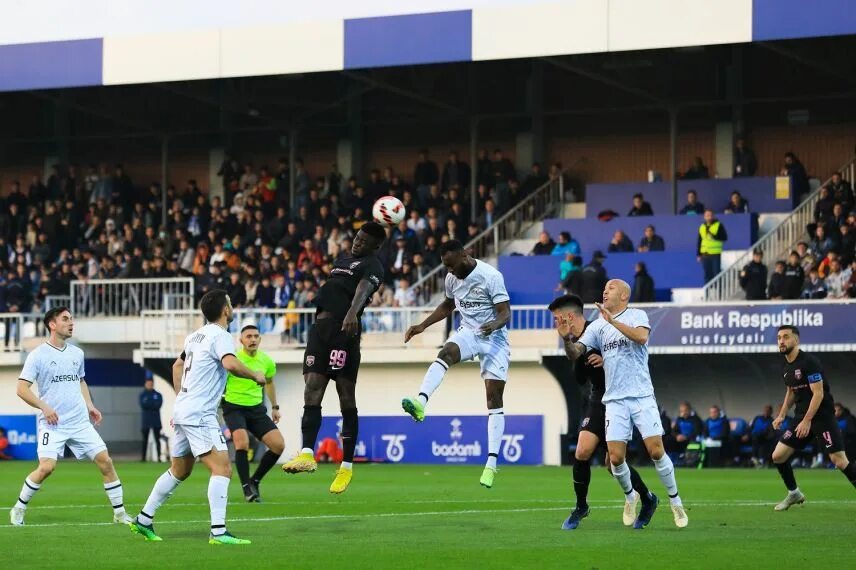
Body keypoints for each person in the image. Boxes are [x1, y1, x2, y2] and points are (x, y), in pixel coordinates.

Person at [129, 290, 266, 544]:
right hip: (200, 413)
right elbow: (230, 364)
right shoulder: (221, 335)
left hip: (183, 409)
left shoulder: (195, 336)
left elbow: (176, 366)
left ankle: (143, 520)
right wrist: (255, 375)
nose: (232, 306)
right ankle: (218, 532)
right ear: (225, 310)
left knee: (179, 470)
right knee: (222, 468)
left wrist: (183, 397)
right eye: (230, 303)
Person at [560, 280, 688, 529]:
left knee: (656, 451)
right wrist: (567, 340)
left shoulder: (636, 315)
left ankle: (676, 502)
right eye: (604, 288)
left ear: (624, 295)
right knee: (616, 459)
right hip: (614, 400)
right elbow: (576, 352)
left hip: (641, 395)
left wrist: (613, 322)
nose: (605, 290)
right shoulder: (597, 326)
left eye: (610, 288)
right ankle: (631, 496)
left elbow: (641, 337)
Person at [280, 222, 387, 495]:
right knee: (312, 388)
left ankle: (346, 466)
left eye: (364, 241)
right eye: (357, 238)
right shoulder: (342, 261)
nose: (357, 243)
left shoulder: (373, 265)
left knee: (345, 396)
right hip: (320, 330)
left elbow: (363, 290)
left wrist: (352, 312)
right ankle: (306, 454)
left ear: (375, 246)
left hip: (344, 330)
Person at [401, 240, 511, 489]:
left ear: (465, 255)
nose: (450, 272)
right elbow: (448, 305)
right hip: (470, 332)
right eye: (446, 268)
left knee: (494, 399)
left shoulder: (490, 276)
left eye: (452, 266)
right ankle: (421, 402)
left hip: (495, 339)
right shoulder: (452, 278)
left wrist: (492, 325)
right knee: (446, 352)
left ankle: (491, 465)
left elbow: (505, 313)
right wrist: (422, 326)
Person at [10, 307, 132, 527]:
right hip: (53, 423)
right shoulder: (38, 355)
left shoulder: (77, 353)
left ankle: (120, 514)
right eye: (65, 319)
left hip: (79, 421)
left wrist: (90, 405)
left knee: (106, 461)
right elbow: (21, 389)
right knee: (47, 467)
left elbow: (80, 381)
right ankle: (19, 508)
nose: (71, 322)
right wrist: (44, 407)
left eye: (71, 319)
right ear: (52, 325)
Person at [549, 294, 655, 530]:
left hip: (620, 398)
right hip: (599, 398)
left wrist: (606, 358)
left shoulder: (600, 328)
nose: (556, 324)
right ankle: (581, 507)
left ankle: (647, 498)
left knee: (613, 463)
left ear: (570, 316)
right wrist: (568, 340)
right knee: (582, 451)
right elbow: (578, 375)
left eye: (557, 319)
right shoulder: (578, 341)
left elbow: (629, 350)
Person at [770, 325, 856, 511]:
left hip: (821, 417)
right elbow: (791, 390)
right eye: (779, 338)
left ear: (796, 340)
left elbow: (818, 394)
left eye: (786, 337)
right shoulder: (786, 365)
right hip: (801, 417)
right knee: (778, 456)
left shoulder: (809, 362)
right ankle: (794, 493)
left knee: (839, 461)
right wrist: (782, 414)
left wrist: (807, 420)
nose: (781, 341)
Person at [221, 324, 284, 503]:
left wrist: (275, 407)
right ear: (241, 340)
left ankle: (255, 481)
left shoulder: (267, 361)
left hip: (256, 409)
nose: (253, 339)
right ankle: (246, 488)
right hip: (234, 407)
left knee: (278, 445)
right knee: (242, 443)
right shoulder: (233, 359)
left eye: (256, 336)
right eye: (248, 336)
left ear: (260, 339)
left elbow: (270, 382)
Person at [697, 209, 728, 283]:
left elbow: (724, 237)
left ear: (713, 216)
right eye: (707, 215)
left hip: (715, 254)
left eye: (710, 215)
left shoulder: (719, 225)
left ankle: (720, 292)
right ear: (704, 217)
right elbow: (699, 241)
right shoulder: (702, 226)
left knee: (717, 274)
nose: (709, 217)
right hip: (705, 254)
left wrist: (714, 237)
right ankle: (707, 294)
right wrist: (698, 254)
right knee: (707, 274)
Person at [139, 376, 163, 462]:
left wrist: (150, 404)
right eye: (148, 383)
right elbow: (143, 405)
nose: (149, 385)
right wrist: (152, 404)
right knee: (144, 440)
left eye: (151, 383)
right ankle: (143, 458)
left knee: (157, 439)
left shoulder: (158, 394)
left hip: (156, 420)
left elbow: (158, 405)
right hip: (146, 421)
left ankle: (159, 457)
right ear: (145, 384)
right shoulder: (142, 395)